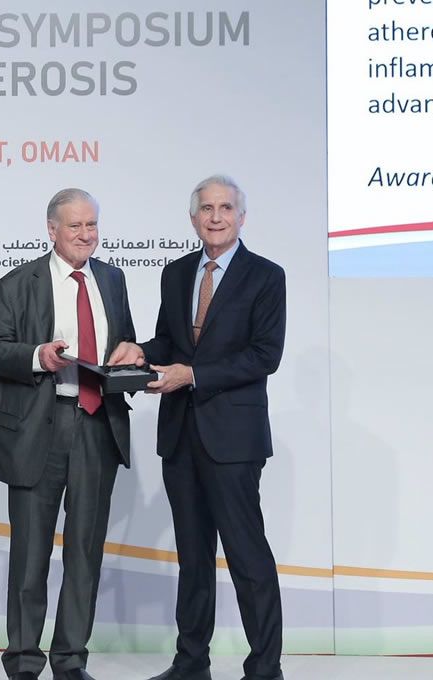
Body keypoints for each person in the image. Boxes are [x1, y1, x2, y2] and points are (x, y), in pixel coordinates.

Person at [109, 175, 286, 680]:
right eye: (206, 208)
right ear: (193, 218)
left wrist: (195, 375)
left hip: (234, 440)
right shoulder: (176, 271)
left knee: (248, 557)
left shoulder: (266, 276)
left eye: (225, 208)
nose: (215, 217)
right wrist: (143, 351)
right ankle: (190, 664)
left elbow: (264, 356)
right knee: (193, 558)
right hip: (181, 435)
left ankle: (264, 669)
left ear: (241, 217)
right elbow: (170, 341)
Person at [0, 188, 136, 680]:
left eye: (92, 225)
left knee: (85, 552)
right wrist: (37, 356)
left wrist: (131, 356)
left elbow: (122, 342)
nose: (86, 235)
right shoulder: (15, 283)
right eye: (75, 227)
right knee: (30, 554)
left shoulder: (113, 278)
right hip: (36, 432)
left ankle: (70, 660)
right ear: (52, 230)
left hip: (97, 425)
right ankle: (25, 662)